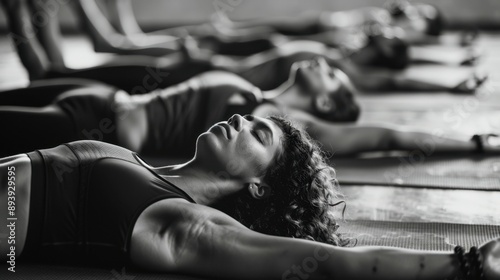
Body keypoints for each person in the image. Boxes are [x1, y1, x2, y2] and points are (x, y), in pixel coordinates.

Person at [1, 116, 499, 279]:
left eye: (257, 137)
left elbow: (327, 263)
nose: (240, 122)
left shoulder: (182, 223)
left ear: (258, 186)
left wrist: (466, 264)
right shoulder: (144, 168)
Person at [1, 56, 498, 158]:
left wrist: (474, 143)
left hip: (94, 126)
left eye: (331, 73)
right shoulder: (253, 85)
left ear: (324, 100)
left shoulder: (281, 123)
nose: (322, 62)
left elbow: (389, 137)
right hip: (96, 99)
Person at [1, 0, 485, 92]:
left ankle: (18, 12)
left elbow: (399, 75)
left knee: (56, 71)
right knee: (110, 41)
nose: (389, 28)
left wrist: (450, 71)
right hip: (200, 59)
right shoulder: (347, 38)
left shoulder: (345, 69)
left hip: (184, 75)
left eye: (395, 38)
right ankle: (25, 10)